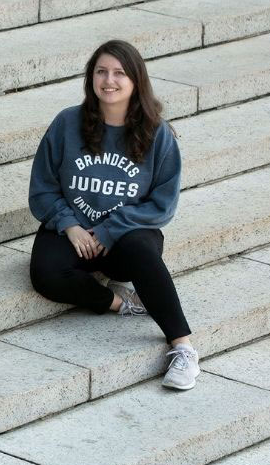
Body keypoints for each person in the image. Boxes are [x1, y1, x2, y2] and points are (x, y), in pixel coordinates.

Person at [27, 39, 198, 390]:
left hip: (125, 238)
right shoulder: (66, 123)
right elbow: (42, 188)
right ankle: (121, 302)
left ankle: (182, 347)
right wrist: (69, 223)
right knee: (44, 274)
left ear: (136, 81)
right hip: (74, 233)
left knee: (141, 252)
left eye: (120, 73)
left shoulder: (158, 134)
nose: (109, 80)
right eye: (102, 71)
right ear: (91, 78)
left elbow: (162, 204)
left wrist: (109, 230)